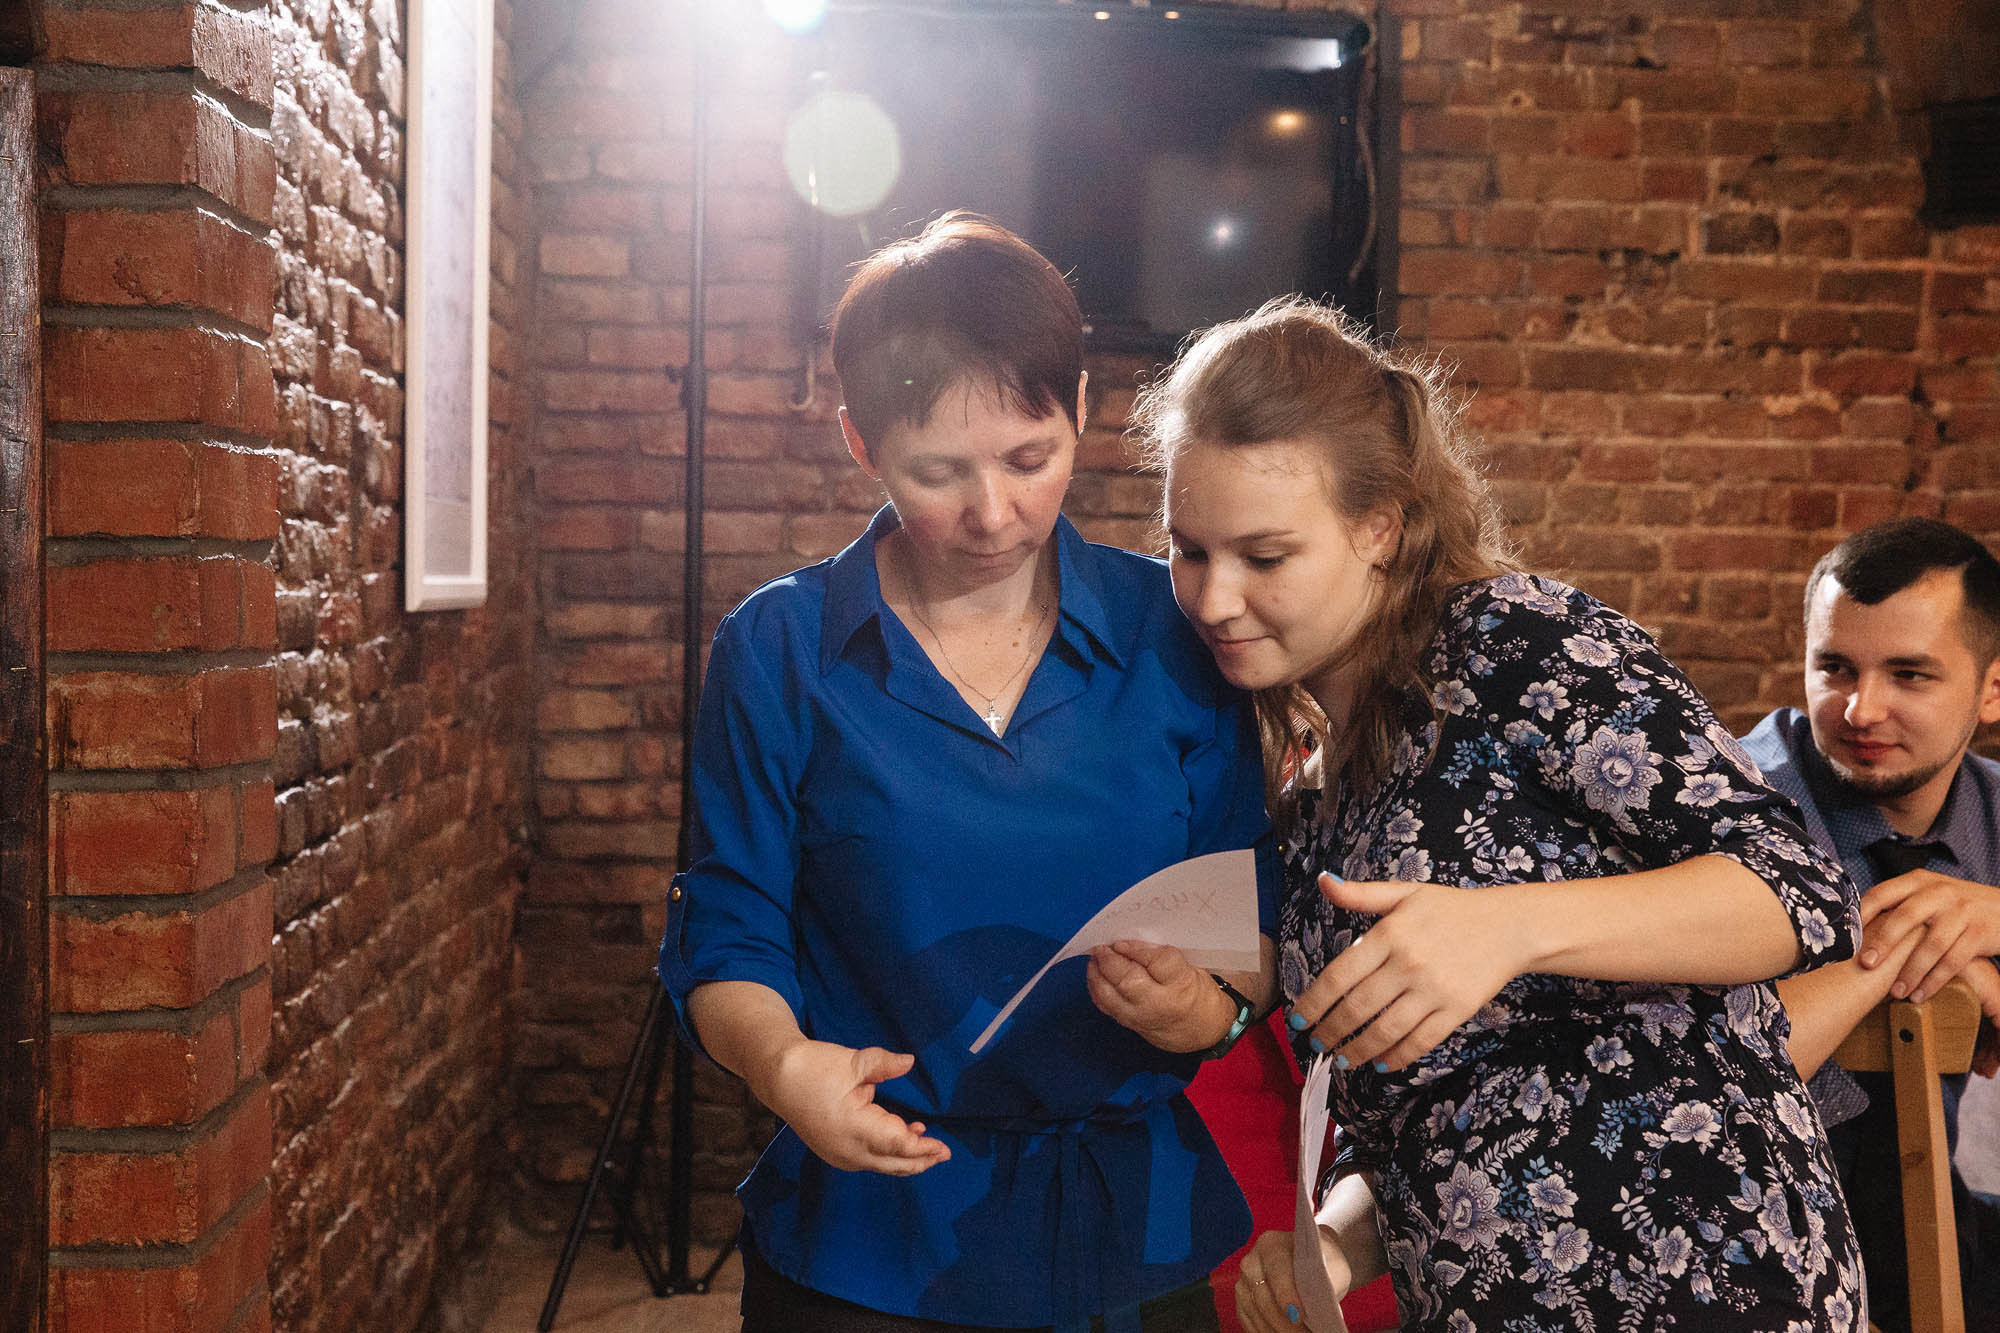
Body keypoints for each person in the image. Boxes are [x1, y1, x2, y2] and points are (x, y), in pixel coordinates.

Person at [1128, 297, 1865, 1332]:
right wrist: (1333, 1244)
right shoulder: (1305, 791)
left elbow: (1798, 893)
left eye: (1262, 557)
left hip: (1704, 1281)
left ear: (1376, 529)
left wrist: (1510, 924)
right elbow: (1427, 1115)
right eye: (1187, 549)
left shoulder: (1511, 642)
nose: (1209, 597)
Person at [655, 212, 1278, 1333]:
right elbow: (727, 926)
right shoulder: (783, 648)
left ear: (1081, 411)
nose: (993, 514)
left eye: (1029, 458)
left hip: (1127, 1222)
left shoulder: (1176, 629)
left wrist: (1210, 1009)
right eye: (936, 472)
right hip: (872, 1226)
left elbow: (1250, 913)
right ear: (861, 445)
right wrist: (785, 1066)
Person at [1741, 517, 2000, 1333]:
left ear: (1993, 689)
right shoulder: (1730, 804)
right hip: (1736, 1227)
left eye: (1910, 675)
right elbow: (1711, 1068)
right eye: (1835, 667)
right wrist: (1906, 963)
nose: (1862, 708)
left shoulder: (1994, 813)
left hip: (1931, 1217)